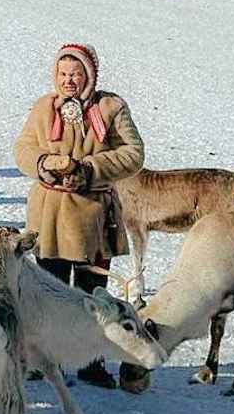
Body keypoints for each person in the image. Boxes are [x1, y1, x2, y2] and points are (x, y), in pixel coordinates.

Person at [14, 42, 144, 390]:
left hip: (94, 219)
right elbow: (24, 148)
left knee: (92, 293)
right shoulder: (44, 108)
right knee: (49, 292)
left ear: (90, 75)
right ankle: (44, 358)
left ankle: (91, 361)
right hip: (50, 217)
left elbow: (134, 153)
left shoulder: (111, 107)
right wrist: (43, 164)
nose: (68, 80)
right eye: (63, 73)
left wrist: (88, 170)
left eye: (76, 74)